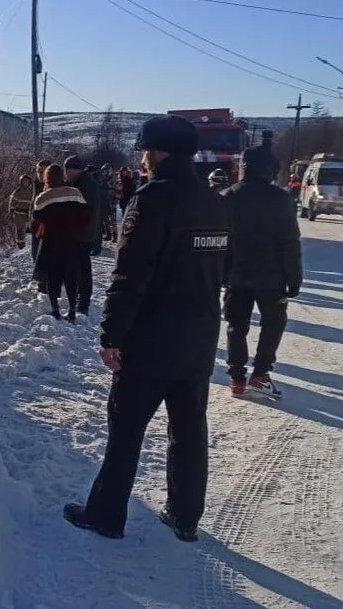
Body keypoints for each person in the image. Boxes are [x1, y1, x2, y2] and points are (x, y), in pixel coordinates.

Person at [64, 115, 231, 543]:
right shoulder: (214, 200)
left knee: (126, 429)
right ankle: (185, 516)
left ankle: (105, 514)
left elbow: (130, 275)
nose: (141, 157)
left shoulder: (152, 199)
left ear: (158, 152)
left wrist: (111, 335)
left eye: (144, 149)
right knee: (190, 430)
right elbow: (223, 268)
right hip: (199, 338)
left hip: (153, 339)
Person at [219, 146, 302, 399]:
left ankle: (236, 377)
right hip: (272, 277)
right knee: (273, 324)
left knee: (236, 325)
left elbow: (220, 241)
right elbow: (290, 242)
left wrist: (218, 274)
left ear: (243, 167)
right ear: (271, 169)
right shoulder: (281, 198)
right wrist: (294, 278)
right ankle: (260, 374)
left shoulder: (227, 196)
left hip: (237, 275)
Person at [31, 164, 90, 321]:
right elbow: (85, 216)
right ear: (63, 176)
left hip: (51, 243)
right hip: (71, 242)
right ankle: (72, 309)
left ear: (46, 178)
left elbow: (37, 219)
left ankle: (55, 310)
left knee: (53, 276)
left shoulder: (42, 198)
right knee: (71, 276)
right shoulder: (75, 193)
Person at [63, 155, 104, 315]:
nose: (67, 173)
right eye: (66, 170)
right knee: (76, 267)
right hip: (76, 233)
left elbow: (87, 212)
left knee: (82, 268)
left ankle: (83, 301)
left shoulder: (87, 186)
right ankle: (78, 297)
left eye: (70, 170)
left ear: (78, 170)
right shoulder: (76, 183)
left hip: (83, 234)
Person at [30, 159, 53, 264]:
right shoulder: (36, 184)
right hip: (36, 224)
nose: (39, 174)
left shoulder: (52, 187)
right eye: (38, 171)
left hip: (47, 227)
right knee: (35, 253)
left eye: (42, 172)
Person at [7, 175, 36, 250]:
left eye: (27, 182)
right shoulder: (18, 191)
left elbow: (32, 202)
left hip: (27, 213)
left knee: (24, 228)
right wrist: (11, 212)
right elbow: (12, 202)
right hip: (18, 213)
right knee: (19, 229)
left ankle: (23, 239)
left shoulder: (31, 192)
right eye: (24, 182)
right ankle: (20, 243)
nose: (25, 183)